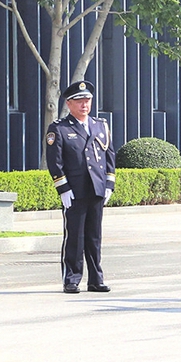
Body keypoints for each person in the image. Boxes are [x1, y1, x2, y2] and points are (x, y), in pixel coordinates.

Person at [46, 80, 115, 294]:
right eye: (79, 101)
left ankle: (96, 279)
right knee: (75, 237)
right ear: (69, 103)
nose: (84, 105)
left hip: (96, 188)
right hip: (74, 191)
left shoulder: (100, 125)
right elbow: (54, 161)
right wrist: (63, 188)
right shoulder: (59, 128)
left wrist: (109, 183)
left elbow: (110, 155)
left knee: (94, 236)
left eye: (87, 100)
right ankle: (72, 279)